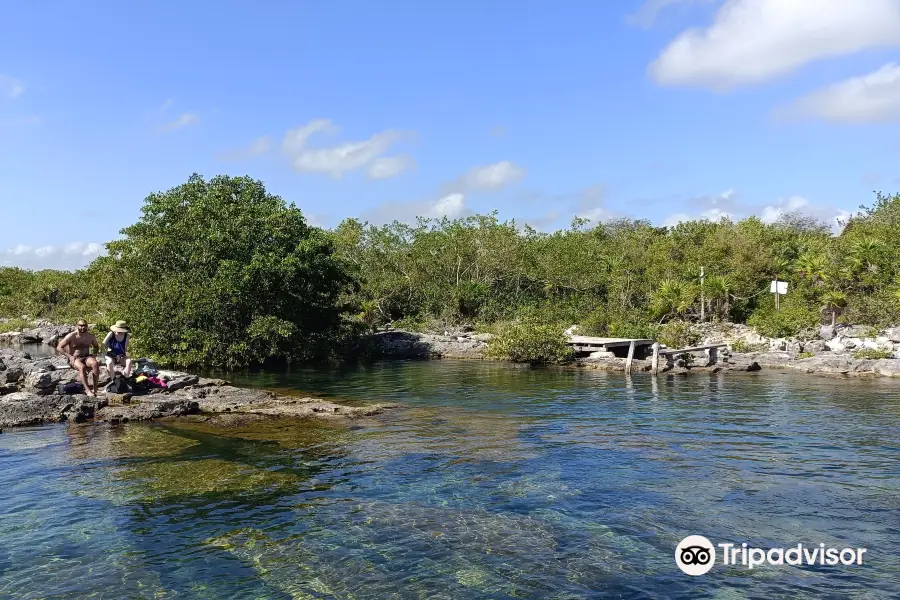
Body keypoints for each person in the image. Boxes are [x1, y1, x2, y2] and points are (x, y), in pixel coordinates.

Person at [57, 319, 101, 397]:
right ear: (77, 326)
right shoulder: (72, 336)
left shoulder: (90, 336)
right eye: (80, 325)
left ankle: (95, 389)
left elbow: (96, 346)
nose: (82, 327)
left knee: (95, 363)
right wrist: (69, 356)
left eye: (84, 325)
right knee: (82, 367)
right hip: (75, 358)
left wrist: (94, 354)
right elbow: (59, 347)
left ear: (87, 326)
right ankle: (87, 390)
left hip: (87, 357)